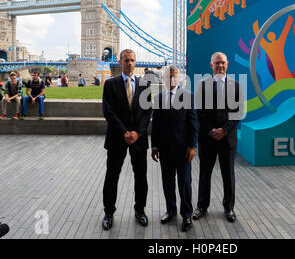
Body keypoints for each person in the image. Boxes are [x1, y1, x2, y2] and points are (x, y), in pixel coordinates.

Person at [102, 49, 152, 231]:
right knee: (112, 177)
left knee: (141, 176)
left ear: (135, 62)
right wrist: (124, 132)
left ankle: (140, 210)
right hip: (117, 137)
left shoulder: (145, 85)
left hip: (138, 139)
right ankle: (108, 212)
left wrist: (137, 133)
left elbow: (147, 112)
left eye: (132, 60)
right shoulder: (110, 84)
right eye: (126, 60)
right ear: (120, 62)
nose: (129, 63)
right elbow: (108, 111)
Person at [193, 52, 243, 223]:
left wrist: (224, 130)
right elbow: (199, 112)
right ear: (211, 65)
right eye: (217, 63)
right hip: (207, 139)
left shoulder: (236, 85)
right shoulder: (202, 85)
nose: (220, 66)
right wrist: (212, 130)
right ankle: (201, 206)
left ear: (227, 64)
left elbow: (237, 113)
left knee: (228, 174)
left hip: (227, 139)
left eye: (222, 63)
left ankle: (229, 208)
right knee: (204, 174)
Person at [151, 66, 199, 232]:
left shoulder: (188, 96)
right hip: (164, 149)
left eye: (174, 77)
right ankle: (171, 210)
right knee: (167, 181)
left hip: (183, 149)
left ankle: (186, 215)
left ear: (178, 79)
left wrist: (193, 146)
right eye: (168, 77)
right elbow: (155, 124)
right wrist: (154, 146)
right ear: (163, 79)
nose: (172, 79)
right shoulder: (158, 98)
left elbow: (193, 123)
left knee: (184, 183)